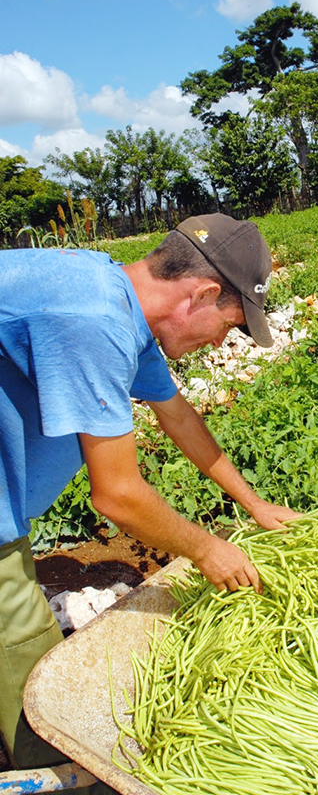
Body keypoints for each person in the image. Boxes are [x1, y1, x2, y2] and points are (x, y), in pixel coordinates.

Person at [0, 213, 300, 777]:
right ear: (203, 294)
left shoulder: (115, 297)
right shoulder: (94, 320)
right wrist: (209, 550)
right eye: (229, 326)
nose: (220, 342)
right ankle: (65, 776)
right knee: (21, 637)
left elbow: (177, 416)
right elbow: (116, 496)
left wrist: (253, 503)